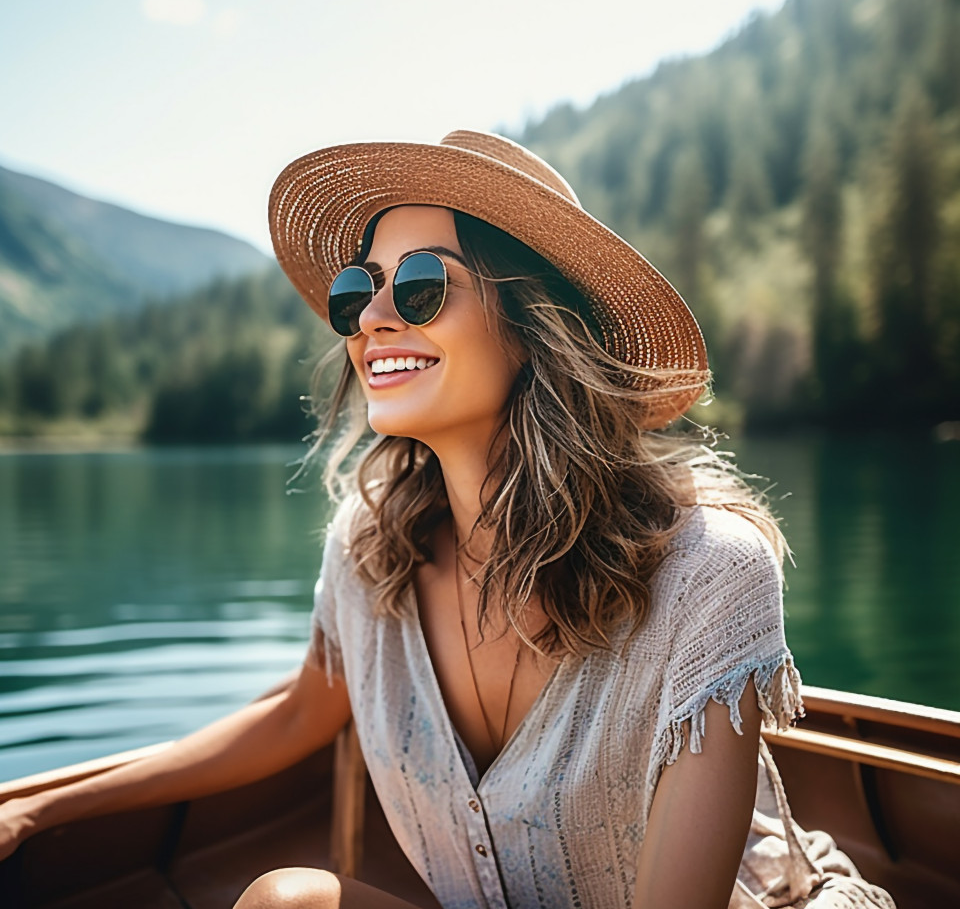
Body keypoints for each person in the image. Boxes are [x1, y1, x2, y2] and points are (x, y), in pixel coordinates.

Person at [0, 131, 893, 909]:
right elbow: (295, 712)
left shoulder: (708, 570)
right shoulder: (370, 546)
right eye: (360, 289)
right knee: (287, 903)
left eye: (422, 283)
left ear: (535, 323)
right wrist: (39, 808)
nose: (373, 319)